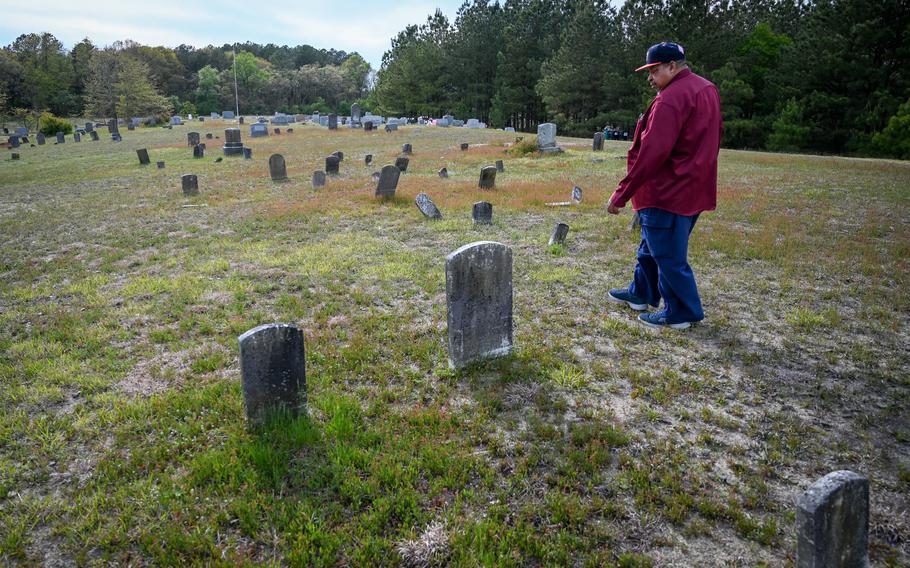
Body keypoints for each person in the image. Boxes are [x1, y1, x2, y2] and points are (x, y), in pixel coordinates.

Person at [606, 42, 722, 329]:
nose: (650, 77)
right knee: (651, 245)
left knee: (669, 255)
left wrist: (621, 195)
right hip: (692, 186)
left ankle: (680, 312)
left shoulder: (670, 99)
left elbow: (651, 154)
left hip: (668, 191)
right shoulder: (707, 89)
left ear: (673, 66)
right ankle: (641, 292)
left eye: (654, 70)